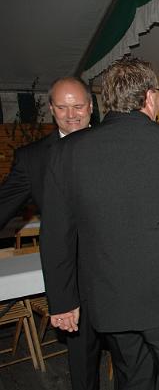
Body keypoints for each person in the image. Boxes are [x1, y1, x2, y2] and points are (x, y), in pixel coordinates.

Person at [39, 58, 159, 390]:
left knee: (132, 379)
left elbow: (57, 233)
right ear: (149, 97)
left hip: (110, 298)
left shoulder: (68, 151)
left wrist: (63, 301)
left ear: (106, 101)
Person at [0, 77, 100, 390]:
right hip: (73, 280)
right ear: (51, 109)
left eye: (78, 106)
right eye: (62, 107)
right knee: (83, 364)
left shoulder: (115, 145)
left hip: (122, 273)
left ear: (91, 106)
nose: (71, 115)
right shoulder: (33, 158)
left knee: (133, 361)